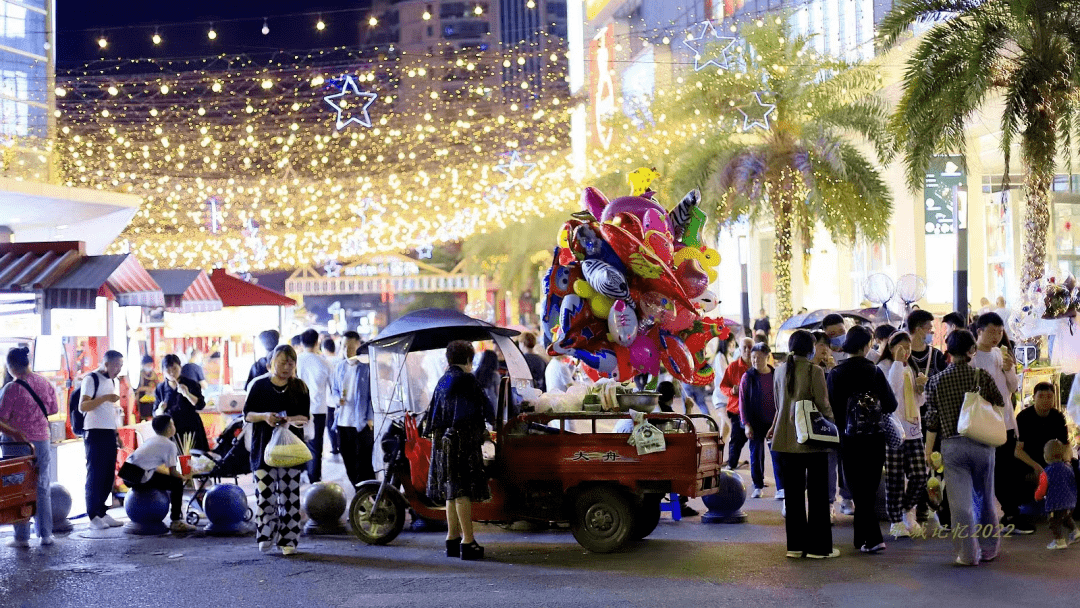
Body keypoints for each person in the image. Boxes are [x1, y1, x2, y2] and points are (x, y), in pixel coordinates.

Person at [923, 329, 1006, 565]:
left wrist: (929, 451)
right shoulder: (982, 376)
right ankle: (989, 548)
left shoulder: (935, 381)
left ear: (948, 352)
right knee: (986, 498)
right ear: (972, 351)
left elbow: (932, 420)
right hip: (982, 444)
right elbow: (1001, 403)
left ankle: (968, 555)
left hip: (952, 446)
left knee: (961, 505)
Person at [827, 325, 898, 554]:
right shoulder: (874, 371)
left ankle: (871, 539)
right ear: (866, 346)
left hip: (849, 439)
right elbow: (890, 405)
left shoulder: (837, 373)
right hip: (875, 437)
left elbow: (831, 409)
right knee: (869, 487)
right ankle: (865, 539)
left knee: (858, 489)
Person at [768, 330, 838, 558]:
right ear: (810, 348)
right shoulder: (814, 371)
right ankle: (818, 548)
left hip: (786, 440)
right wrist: (833, 426)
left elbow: (779, 406)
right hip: (812, 439)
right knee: (817, 495)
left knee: (794, 496)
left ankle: (795, 547)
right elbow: (823, 405)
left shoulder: (779, 371)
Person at [423, 341, 495, 561]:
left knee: (451, 491)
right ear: (468, 360)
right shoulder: (466, 380)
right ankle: (468, 541)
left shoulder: (442, 380)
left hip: (442, 444)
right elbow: (484, 408)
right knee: (462, 491)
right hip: (461, 441)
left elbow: (432, 416)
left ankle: (452, 537)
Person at [244, 344, 310, 555]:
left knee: (290, 497)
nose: (286, 367)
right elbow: (247, 415)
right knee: (265, 496)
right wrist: (265, 416)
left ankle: (288, 541)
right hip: (263, 450)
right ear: (271, 363)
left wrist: (289, 419)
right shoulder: (259, 386)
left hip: (291, 451)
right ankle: (265, 535)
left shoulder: (300, 387)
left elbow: (305, 417)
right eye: (282, 362)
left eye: (291, 363)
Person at [970, 312, 1030, 534]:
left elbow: (1014, 388)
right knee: (987, 471)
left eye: (1000, 332)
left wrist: (1008, 369)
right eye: (992, 331)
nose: (996, 336)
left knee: (1007, 470)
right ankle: (987, 516)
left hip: (1004, 421)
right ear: (980, 331)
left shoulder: (1001, 354)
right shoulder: (973, 358)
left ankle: (1011, 514)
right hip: (983, 423)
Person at [0, 346, 59, 547]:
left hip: (17, 445)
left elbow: (1, 418)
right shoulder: (44, 382)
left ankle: (22, 537)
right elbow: (53, 409)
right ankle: (46, 535)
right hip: (42, 441)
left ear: (10, 367)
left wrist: (16, 431)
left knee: (19, 488)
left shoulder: (12, 388)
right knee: (42, 486)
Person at [876, 331, 930, 538]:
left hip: (914, 429)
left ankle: (906, 510)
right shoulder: (883, 368)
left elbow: (920, 402)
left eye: (908, 349)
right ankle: (896, 520)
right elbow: (891, 392)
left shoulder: (911, 367)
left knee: (919, 476)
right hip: (894, 431)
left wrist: (921, 389)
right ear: (891, 348)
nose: (906, 352)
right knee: (895, 479)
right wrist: (898, 363)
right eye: (902, 348)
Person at [119, 415, 197, 533]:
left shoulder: (151, 440)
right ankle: (176, 521)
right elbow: (173, 472)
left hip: (127, 474)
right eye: (173, 424)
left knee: (167, 480)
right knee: (177, 483)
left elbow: (151, 466)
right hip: (139, 477)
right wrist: (185, 477)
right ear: (170, 428)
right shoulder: (170, 445)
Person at [80, 350, 125, 530]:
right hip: (94, 432)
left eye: (121, 366)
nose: (118, 369)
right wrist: (105, 397)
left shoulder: (113, 381)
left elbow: (109, 411)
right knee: (95, 475)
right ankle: (92, 515)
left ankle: (102, 512)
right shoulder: (91, 379)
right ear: (106, 364)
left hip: (108, 431)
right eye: (116, 365)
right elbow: (83, 406)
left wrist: (116, 434)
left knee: (108, 475)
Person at [1016, 382, 1069, 511]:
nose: (1045, 400)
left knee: (1073, 469)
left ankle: (1071, 509)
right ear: (1034, 398)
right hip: (1029, 462)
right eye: (1041, 396)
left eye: (1049, 397)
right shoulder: (1023, 417)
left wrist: (1066, 462)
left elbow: (1066, 446)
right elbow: (1018, 451)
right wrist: (1036, 467)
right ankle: (1014, 511)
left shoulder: (1058, 417)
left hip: (1052, 461)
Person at [332, 331, 375, 487]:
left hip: (361, 422)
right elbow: (334, 391)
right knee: (348, 459)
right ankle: (359, 490)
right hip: (343, 422)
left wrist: (370, 418)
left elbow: (372, 396)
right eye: (344, 346)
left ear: (358, 345)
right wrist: (337, 400)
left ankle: (367, 493)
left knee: (364, 461)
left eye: (350, 346)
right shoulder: (339, 368)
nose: (347, 350)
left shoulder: (366, 368)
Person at [741, 343, 783, 500]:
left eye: (759, 357)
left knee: (777, 455)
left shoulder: (775, 374)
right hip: (755, 422)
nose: (755, 360)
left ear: (767, 356)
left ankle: (781, 487)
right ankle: (758, 485)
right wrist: (746, 424)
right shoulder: (748, 377)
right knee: (756, 456)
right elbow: (742, 401)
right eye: (753, 357)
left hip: (774, 422)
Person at [296, 329, 332, 483]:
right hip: (318, 410)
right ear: (317, 342)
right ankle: (314, 481)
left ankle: (299, 475)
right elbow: (333, 388)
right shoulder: (324, 362)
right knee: (315, 448)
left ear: (302, 343)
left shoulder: (295, 360)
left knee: (297, 443)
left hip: (296, 410)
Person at [154, 354, 209, 453]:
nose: (171, 372)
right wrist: (160, 410)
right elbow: (155, 413)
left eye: (175, 368)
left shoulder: (192, 384)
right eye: (168, 369)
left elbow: (201, 405)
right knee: (174, 459)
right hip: (171, 430)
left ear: (180, 367)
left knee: (194, 458)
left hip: (191, 428)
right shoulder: (160, 388)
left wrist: (187, 394)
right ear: (163, 371)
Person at [1035, 439, 1078, 549]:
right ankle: (1075, 531)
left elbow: (1042, 488)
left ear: (1046, 457)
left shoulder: (1046, 472)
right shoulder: (1069, 468)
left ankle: (1059, 541)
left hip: (1055, 505)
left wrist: (1038, 496)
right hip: (1071, 502)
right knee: (1066, 518)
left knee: (1053, 522)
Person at [719, 337, 754, 470]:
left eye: (750, 347)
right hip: (736, 410)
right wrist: (731, 390)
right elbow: (723, 386)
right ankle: (731, 466)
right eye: (744, 347)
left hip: (755, 411)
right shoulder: (733, 366)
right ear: (740, 349)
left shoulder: (759, 365)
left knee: (755, 443)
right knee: (736, 439)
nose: (747, 350)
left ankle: (758, 478)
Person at [905, 309, 948, 378]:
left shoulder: (936, 355)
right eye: (929, 329)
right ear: (918, 330)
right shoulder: (902, 355)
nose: (932, 332)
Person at [321, 337, 341, 456]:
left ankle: (334, 446)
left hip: (329, 400)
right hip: (341, 400)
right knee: (340, 424)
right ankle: (341, 444)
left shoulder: (324, 362)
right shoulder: (340, 361)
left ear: (324, 349)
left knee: (331, 424)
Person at [135, 355, 158, 421]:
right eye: (147, 365)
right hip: (142, 401)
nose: (149, 366)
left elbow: (158, 385)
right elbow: (137, 389)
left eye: (150, 365)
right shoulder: (139, 374)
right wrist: (147, 389)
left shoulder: (154, 374)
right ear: (143, 365)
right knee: (143, 419)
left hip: (152, 400)